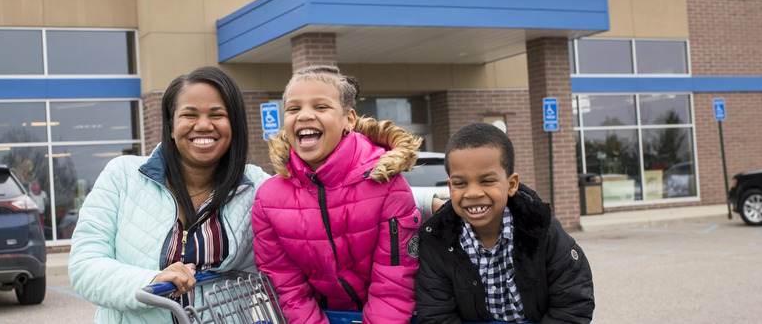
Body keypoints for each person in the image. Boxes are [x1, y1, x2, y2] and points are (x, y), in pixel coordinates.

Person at [68, 66, 271, 323]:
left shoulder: (258, 187)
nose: (203, 125)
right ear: (171, 126)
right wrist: (150, 281)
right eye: (189, 114)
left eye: (217, 115)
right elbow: (84, 265)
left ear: (235, 125)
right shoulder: (122, 176)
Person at [252, 65, 422, 324]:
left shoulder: (387, 185)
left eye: (321, 107)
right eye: (293, 108)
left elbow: (394, 282)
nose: (304, 115)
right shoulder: (268, 199)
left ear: (349, 119)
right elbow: (286, 286)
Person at [415, 122, 594, 324]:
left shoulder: (543, 231)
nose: (473, 193)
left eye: (487, 181)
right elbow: (436, 315)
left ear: (511, 184)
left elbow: (572, 304)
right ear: (450, 187)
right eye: (460, 183)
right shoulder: (437, 242)